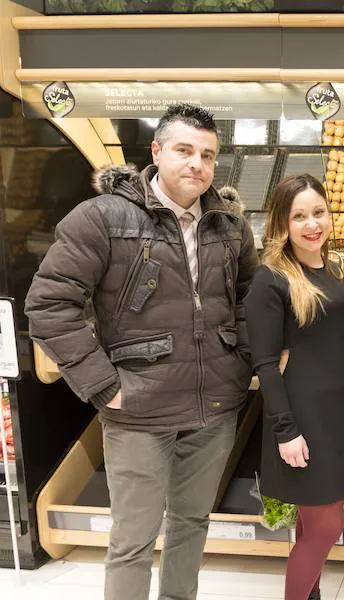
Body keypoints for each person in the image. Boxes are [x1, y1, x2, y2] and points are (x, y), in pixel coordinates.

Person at [25, 103, 258, 600]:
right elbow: (48, 305)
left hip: (214, 407)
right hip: (138, 411)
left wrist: (238, 364)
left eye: (208, 155)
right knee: (132, 539)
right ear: (156, 152)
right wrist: (104, 385)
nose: (197, 164)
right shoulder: (102, 218)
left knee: (192, 524)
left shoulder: (229, 225)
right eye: (184, 150)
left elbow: (248, 300)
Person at [246, 174, 344, 600]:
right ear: (282, 223)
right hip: (302, 417)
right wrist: (285, 429)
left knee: (313, 523)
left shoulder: (329, 268)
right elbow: (265, 365)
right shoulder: (272, 280)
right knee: (327, 528)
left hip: (336, 414)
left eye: (319, 212)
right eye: (299, 216)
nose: (312, 224)